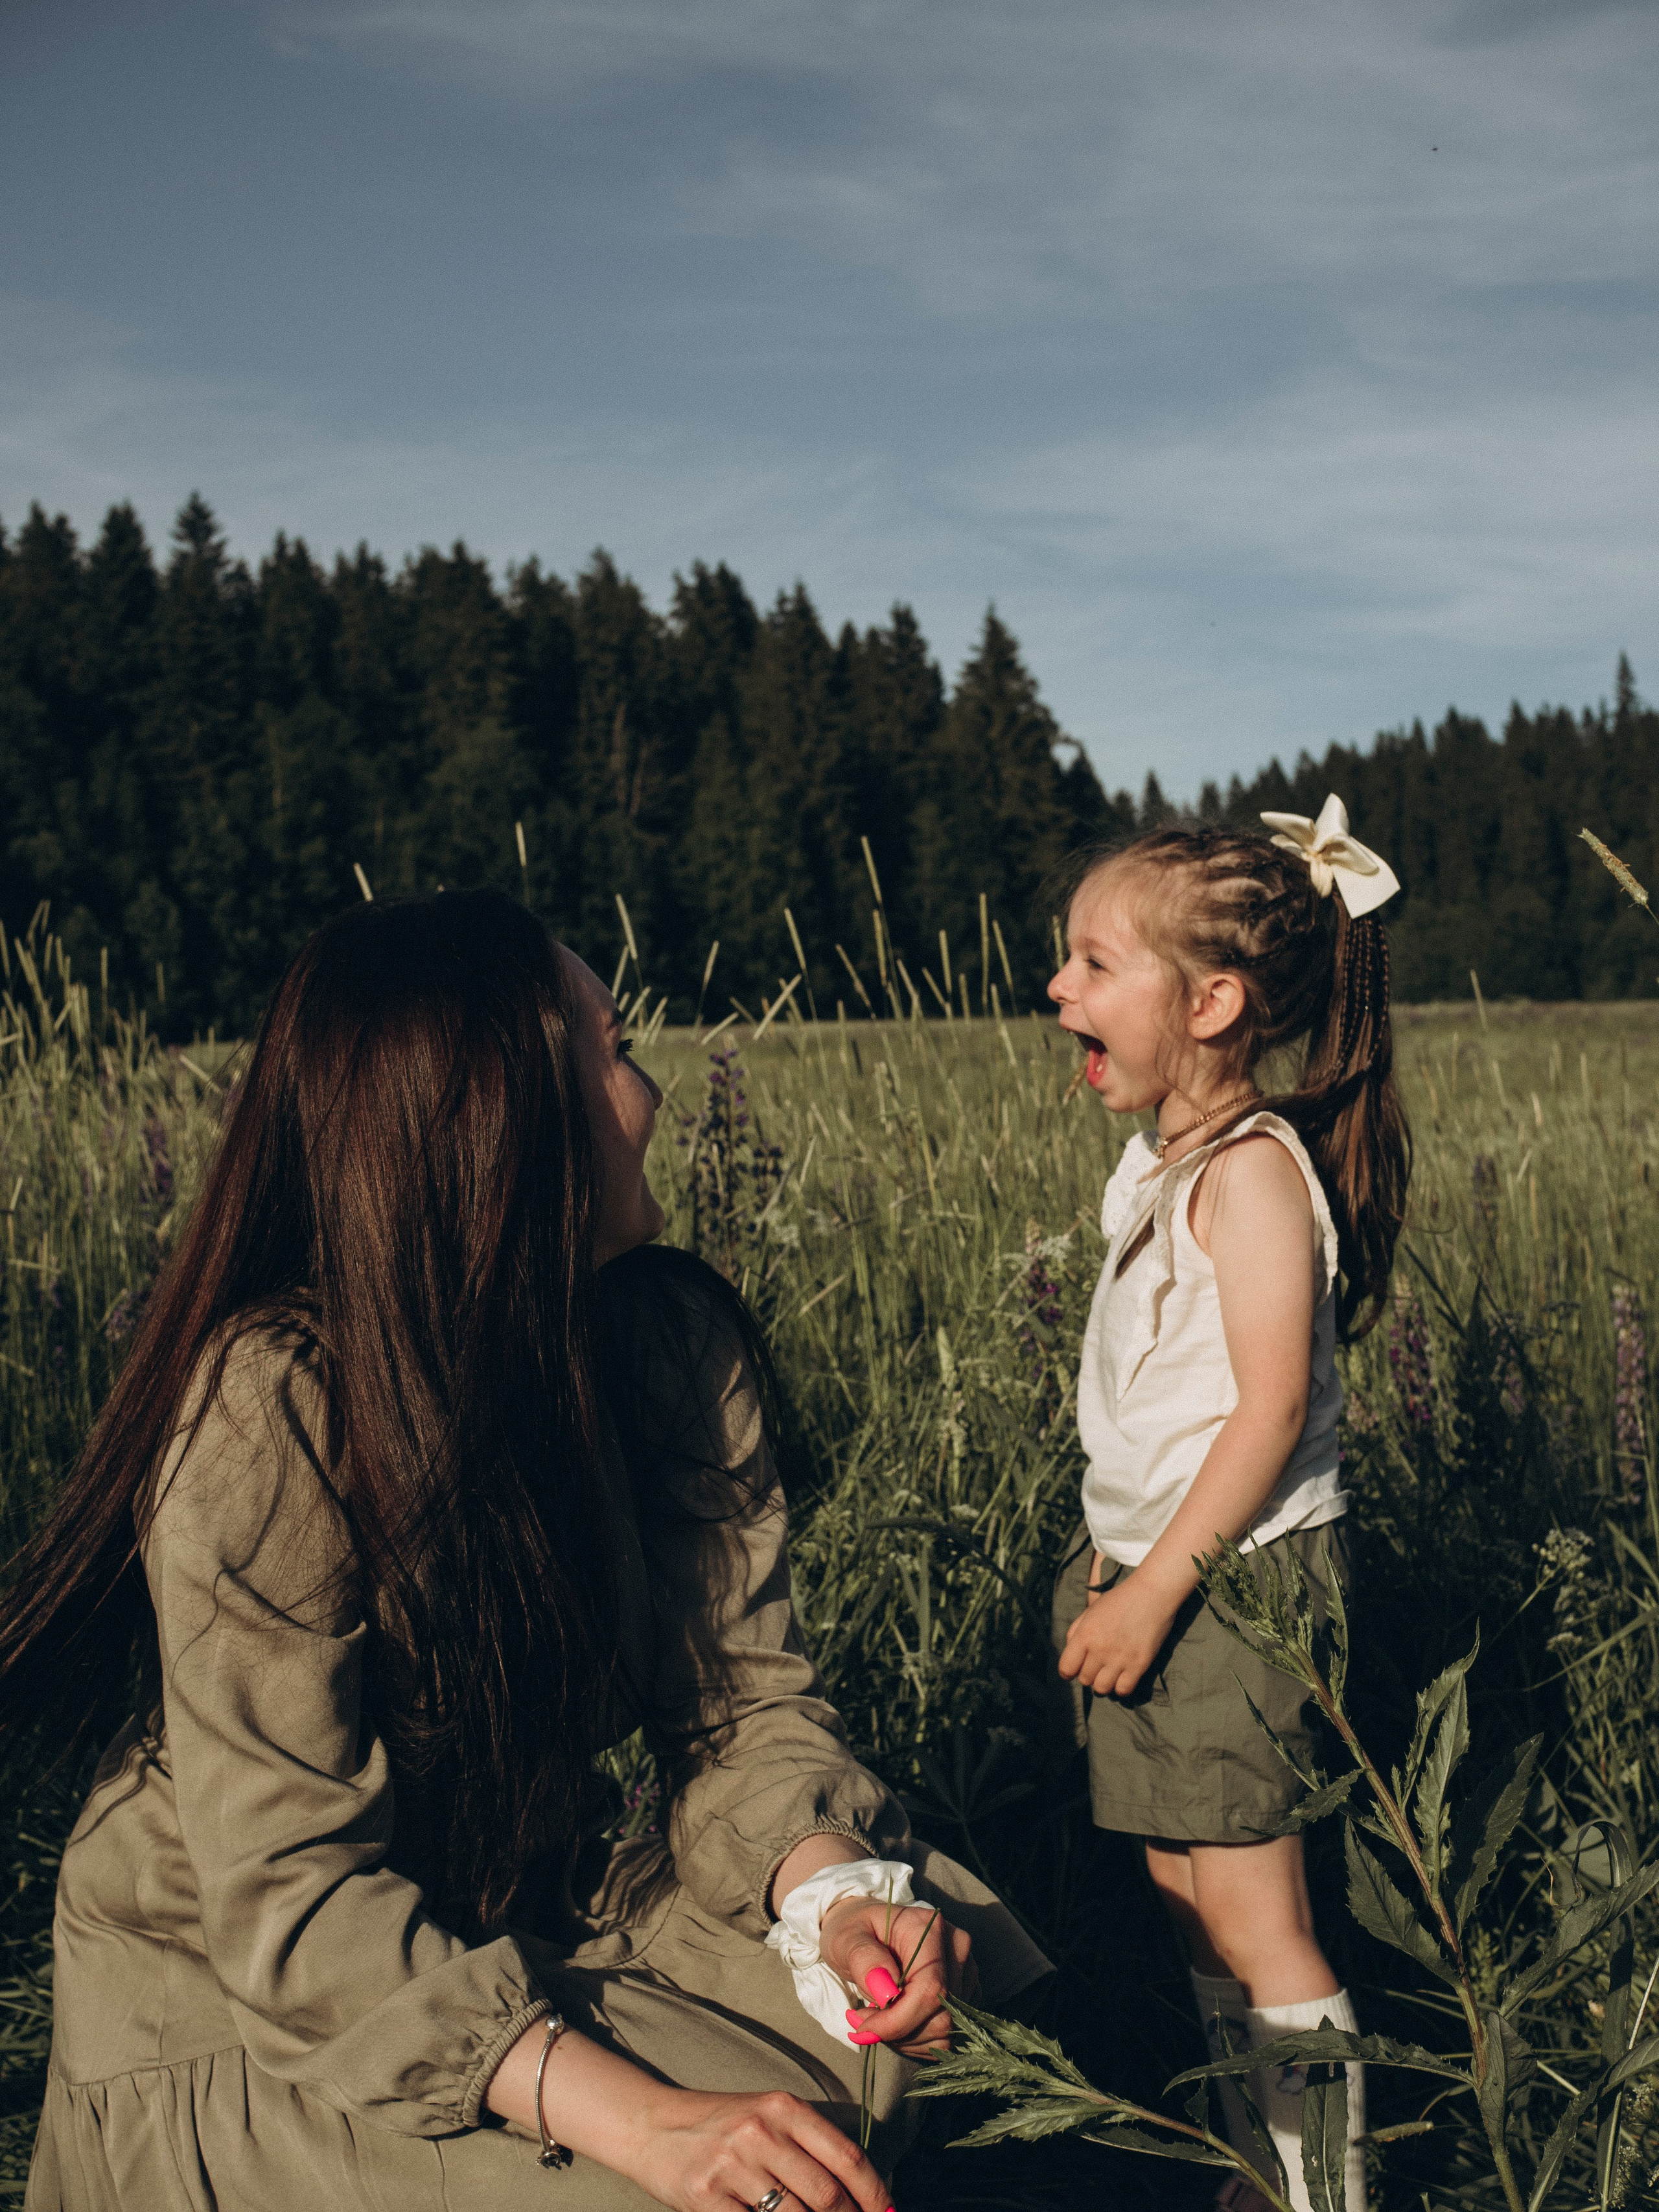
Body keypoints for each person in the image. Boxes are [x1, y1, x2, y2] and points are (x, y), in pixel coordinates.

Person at [3, 889, 1048, 2212]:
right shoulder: (276, 1406)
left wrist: (834, 1899)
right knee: (700, 2182)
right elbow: (290, 1902)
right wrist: (653, 2127)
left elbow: (741, 1712)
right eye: (611, 1051)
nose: (654, 1095)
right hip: (257, 2005)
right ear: (493, 1122)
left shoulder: (665, 1346)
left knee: (915, 2011)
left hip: (500, 1925)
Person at [1047, 800, 1410, 2212]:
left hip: (1226, 1590)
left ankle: (1325, 2189)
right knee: (1188, 1900)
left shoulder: (1254, 1173)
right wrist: (1119, 1569)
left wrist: (1150, 1592)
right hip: (1158, 1574)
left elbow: (1263, 1414)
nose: (1058, 990)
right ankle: (1264, 2163)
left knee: (1261, 1922)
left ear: (1209, 1004)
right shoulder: (1169, 1160)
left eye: (1088, 963)